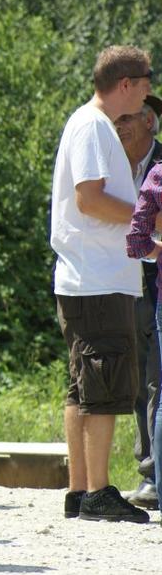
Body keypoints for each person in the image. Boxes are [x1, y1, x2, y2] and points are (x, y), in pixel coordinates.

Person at [53, 45, 153, 524]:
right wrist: (148, 221)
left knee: (83, 385)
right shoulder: (94, 126)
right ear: (126, 84)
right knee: (105, 381)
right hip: (96, 278)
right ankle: (98, 492)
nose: (150, 91)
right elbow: (90, 200)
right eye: (147, 81)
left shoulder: (89, 124)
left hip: (88, 276)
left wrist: (146, 241)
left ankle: (79, 491)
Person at [115, 94, 162, 510]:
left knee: (156, 381)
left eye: (127, 118)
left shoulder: (160, 164)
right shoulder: (111, 164)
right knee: (136, 381)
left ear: (149, 121)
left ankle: (152, 475)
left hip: (155, 283)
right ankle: (148, 470)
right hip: (122, 284)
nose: (119, 126)